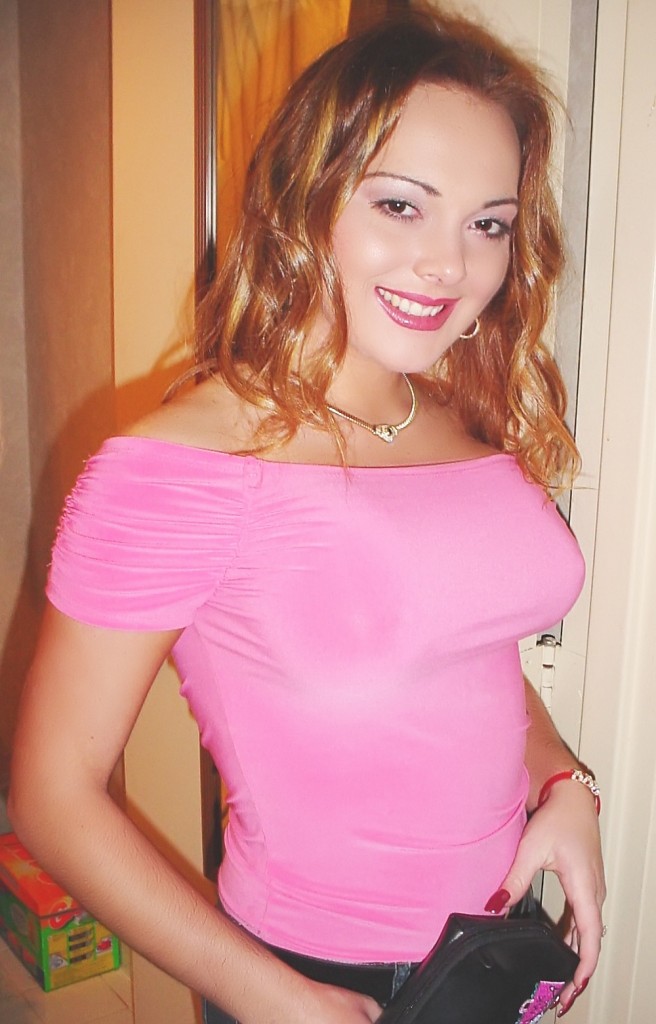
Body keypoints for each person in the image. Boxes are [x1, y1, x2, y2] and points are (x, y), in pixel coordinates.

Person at [9, 8, 605, 1024]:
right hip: (316, 975)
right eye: (401, 205)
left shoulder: (461, 416)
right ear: (306, 196)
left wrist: (563, 786)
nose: (448, 266)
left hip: (496, 947)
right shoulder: (180, 468)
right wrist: (270, 997)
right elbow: (50, 794)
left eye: (488, 224)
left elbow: (472, 659)